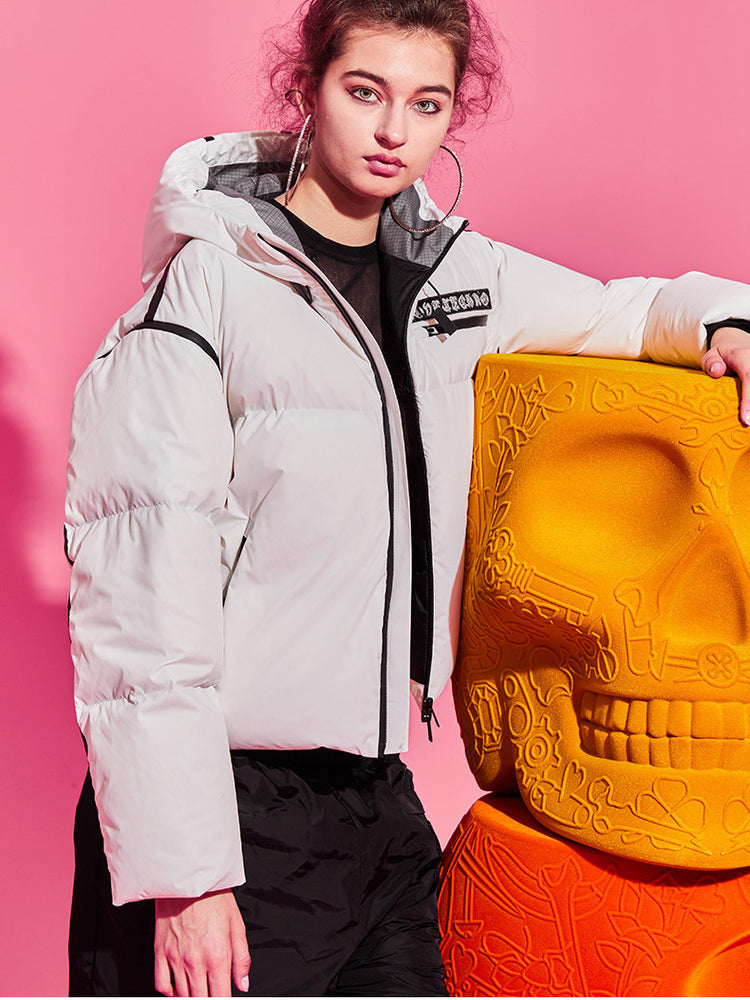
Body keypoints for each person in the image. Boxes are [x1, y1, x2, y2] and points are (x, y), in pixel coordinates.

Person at [64, 0, 750, 996]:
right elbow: (141, 597)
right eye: (365, 92)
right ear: (306, 89)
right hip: (229, 813)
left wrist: (727, 322)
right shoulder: (206, 289)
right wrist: (187, 876)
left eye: (427, 103)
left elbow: (628, 309)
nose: (394, 130)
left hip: (378, 802)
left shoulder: (457, 281)